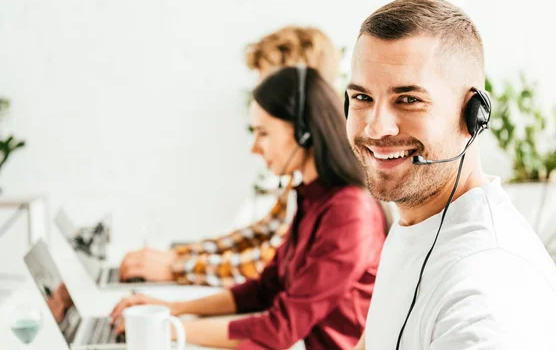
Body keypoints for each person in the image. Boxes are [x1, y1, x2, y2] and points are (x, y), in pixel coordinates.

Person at [345, 0, 556, 349]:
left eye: (408, 99)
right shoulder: (418, 223)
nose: (376, 128)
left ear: (473, 115)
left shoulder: (490, 298)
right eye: (362, 98)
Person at [111, 66, 387, 349]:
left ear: (304, 132)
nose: (254, 147)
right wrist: (173, 309)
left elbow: (281, 327)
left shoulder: (349, 214)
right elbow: (263, 288)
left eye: (263, 133)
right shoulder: (311, 198)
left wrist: (169, 329)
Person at [118, 26, 343, 287]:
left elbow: (267, 264)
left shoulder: (335, 187)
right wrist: (173, 257)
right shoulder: (301, 177)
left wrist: (175, 267)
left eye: (270, 90)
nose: (260, 102)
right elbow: (256, 237)